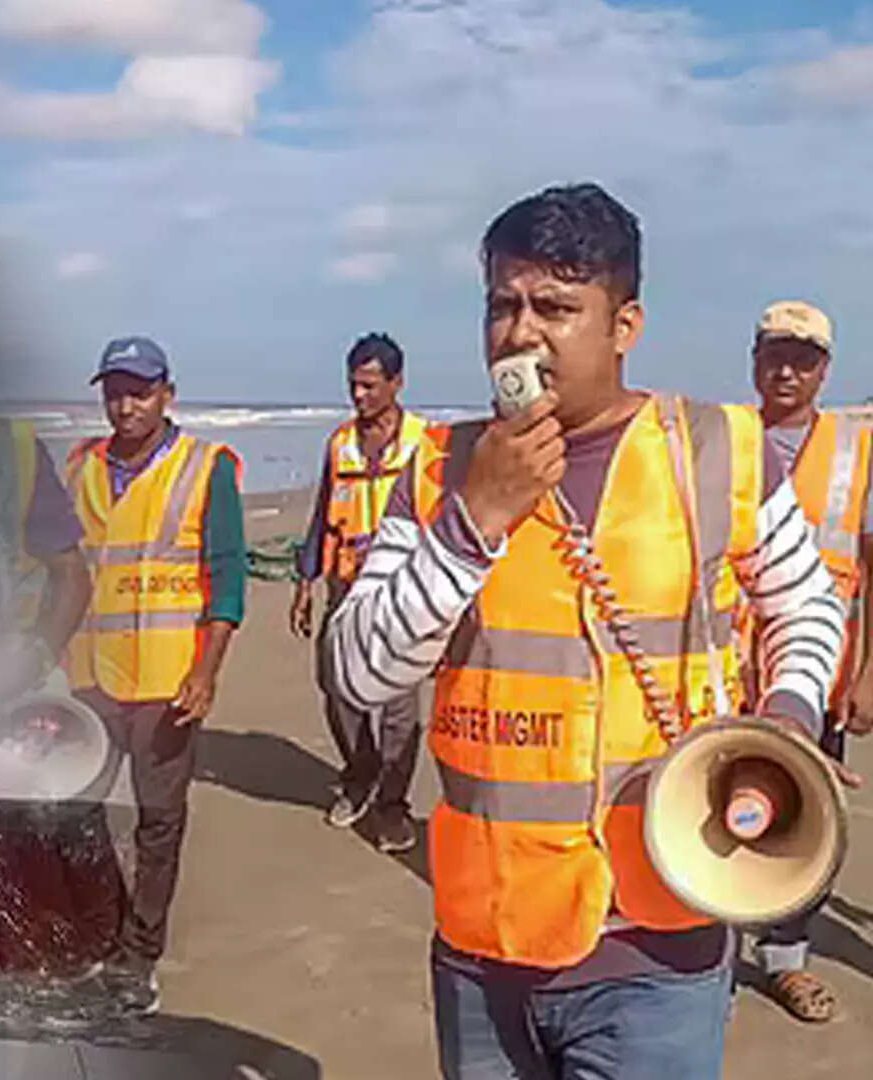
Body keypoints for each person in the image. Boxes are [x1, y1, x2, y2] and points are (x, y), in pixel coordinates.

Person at [325, 183, 851, 1078]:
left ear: (625, 324)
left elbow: (804, 602)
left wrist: (792, 714)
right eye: (503, 305)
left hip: (660, 947)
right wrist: (472, 523)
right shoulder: (442, 469)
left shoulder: (717, 449)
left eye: (557, 308)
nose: (521, 334)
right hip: (483, 942)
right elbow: (360, 672)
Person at [62, 335, 246, 1013]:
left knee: (158, 823)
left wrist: (208, 671)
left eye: (139, 390)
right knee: (71, 812)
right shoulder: (80, 465)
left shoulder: (206, 467)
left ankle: (139, 957)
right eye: (113, 391)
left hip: (169, 684)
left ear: (168, 392)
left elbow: (228, 574)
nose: (125, 405)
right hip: (88, 677)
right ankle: (102, 931)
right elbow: (54, 564)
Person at [747, 299, 873, 1023]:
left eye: (803, 357)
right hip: (723, 674)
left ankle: (784, 961)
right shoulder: (724, 444)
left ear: (824, 370)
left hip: (818, 679)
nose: (787, 369)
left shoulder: (855, 453)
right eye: (774, 354)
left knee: (803, 823)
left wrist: (865, 675)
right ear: (755, 360)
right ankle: (697, 956)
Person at [292, 332, 432, 853]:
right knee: (337, 686)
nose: (359, 396)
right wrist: (304, 582)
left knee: (399, 704)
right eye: (353, 384)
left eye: (370, 385)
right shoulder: (339, 444)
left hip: (404, 591)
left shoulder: (425, 442)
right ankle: (361, 773)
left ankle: (393, 806)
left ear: (397, 384)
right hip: (345, 586)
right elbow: (321, 513)